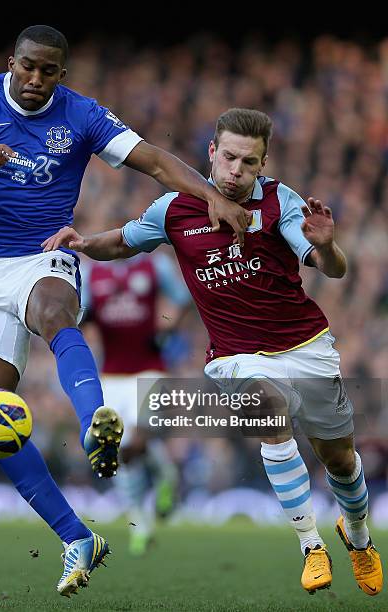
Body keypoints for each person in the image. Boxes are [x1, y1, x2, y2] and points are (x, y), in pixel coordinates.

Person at [0, 25, 249, 598]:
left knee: (54, 311)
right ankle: (77, 536)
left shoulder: (83, 115)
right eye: (28, 67)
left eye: (49, 70)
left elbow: (156, 162)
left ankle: (96, 422)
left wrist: (211, 195)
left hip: (47, 254)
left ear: (62, 74)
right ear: (11, 63)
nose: (36, 79)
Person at [43, 108, 384, 596]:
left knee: (341, 461)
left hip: (305, 345)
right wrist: (81, 243)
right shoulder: (175, 208)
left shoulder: (279, 201)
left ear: (262, 163)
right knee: (270, 412)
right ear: (211, 153)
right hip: (234, 356)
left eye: (248, 162)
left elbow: (332, 270)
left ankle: (359, 539)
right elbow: (122, 242)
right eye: (228, 157)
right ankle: (311, 546)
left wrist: (328, 249)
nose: (235, 171)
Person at [80, 246, 190, 555]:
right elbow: (80, 312)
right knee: (118, 449)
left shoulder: (154, 266)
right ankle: (140, 522)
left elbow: (182, 297)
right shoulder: (93, 274)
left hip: (149, 370)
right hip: (111, 375)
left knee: (138, 439)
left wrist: (168, 326)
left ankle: (165, 480)